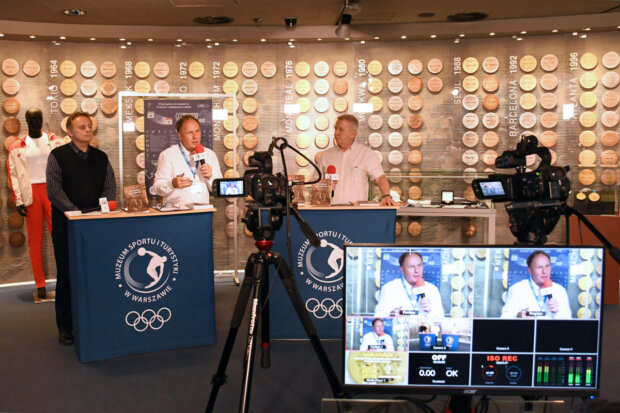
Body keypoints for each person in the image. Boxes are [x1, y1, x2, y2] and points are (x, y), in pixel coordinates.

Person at [46, 112, 116, 345]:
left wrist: (100, 213)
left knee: (97, 273)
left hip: (96, 225)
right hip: (67, 224)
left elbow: (109, 188)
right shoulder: (57, 156)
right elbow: (54, 191)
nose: (87, 130)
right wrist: (75, 212)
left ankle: (98, 319)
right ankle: (66, 327)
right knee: (67, 275)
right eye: (81, 127)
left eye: (89, 126)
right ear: (70, 131)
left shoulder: (101, 157)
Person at [8, 108, 64, 299]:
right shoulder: (17, 146)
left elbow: (65, 167)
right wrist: (19, 199)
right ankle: (40, 283)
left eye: (38, 118)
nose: (35, 122)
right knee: (35, 240)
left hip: (52, 192)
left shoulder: (55, 141)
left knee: (59, 236)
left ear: (43, 120)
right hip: (31, 193)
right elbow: (14, 175)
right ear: (26, 121)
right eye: (31, 119)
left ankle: (64, 279)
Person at [315, 114, 397, 206]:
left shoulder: (367, 154)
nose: (336, 133)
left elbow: (380, 177)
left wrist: (386, 196)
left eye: (341, 129)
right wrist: (324, 187)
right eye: (335, 129)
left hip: (356, 212)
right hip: (328, 211)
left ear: (353, 133)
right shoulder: (326, 155)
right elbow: (314, 181)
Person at [151, 115, 222, 207]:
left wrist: (210, 176)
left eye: (197, 131)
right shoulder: (167, 155)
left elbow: (219, 189)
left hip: (203, 212)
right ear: (180, 135)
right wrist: (172, 184)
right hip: (177, 213)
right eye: (190, 133)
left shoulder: (210, 154)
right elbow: (157, 188)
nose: (195, 136)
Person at [501, 250, 572, 319]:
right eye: (539, 267)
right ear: (530, 270)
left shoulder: (560, 290)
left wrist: (557, 312)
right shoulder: (517, 289)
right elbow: (504, 319)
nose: (544, 271)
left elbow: (568, 324)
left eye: (547, 266)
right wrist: (518, 316)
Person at [375, 252, 445, 319]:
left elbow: (441, 319)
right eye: (412, 267)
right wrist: (390, 315)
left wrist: (431, 311)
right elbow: (378, 317)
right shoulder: (389, 288)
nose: (416, 271)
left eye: (419, 265)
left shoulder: (432, 289)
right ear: (402, 269)